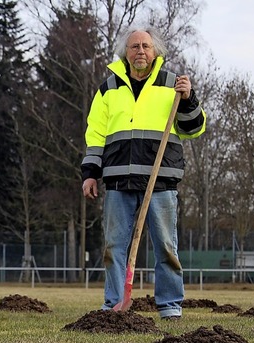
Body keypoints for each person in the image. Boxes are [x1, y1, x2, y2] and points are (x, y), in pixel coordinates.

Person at [81, 26, 206, 319]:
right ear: (126, 52)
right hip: (117, 179)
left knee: (165, 245)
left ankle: (170, 306)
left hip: (160, 179)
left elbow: (194, 129)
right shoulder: (108, 88)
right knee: (114, 246)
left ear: (155, 51)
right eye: (134, 46)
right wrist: (90, 172)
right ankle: (113, 305)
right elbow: (96, 134)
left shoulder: (173, 85)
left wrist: (188, 99)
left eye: (145, 46)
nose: (140, 51)